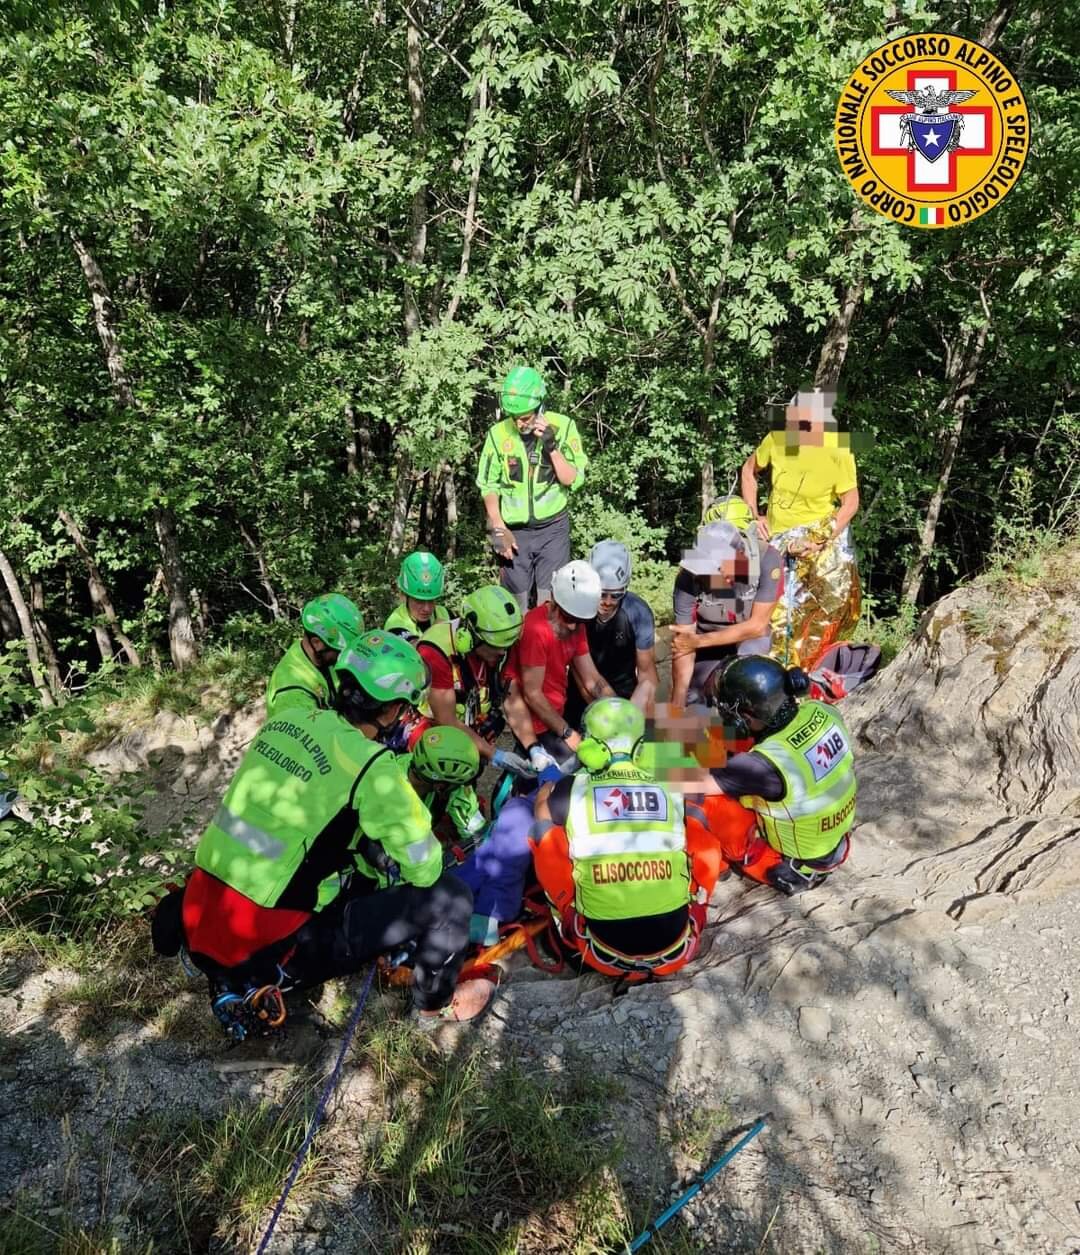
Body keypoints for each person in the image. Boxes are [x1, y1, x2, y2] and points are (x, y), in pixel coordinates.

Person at [161, 631, 495, 1031]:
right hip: (266, 951)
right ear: (391, 711)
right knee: (450, 898)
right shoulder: (372, 766)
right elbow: (423, 869)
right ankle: (432, 1009)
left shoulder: (285, 720)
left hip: (201, 918)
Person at [530, 698, 726, 979]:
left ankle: (567, 918)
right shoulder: (669, 780)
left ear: (591, 747)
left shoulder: (570, 789)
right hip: (675, 947)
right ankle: (699, 901)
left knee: (543, 833)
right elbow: (705, 845)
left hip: (603, 952)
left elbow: (542, 816)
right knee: (695, 821)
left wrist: (545, 792)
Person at [702, 655, 856, 896]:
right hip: (830, 836)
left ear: (747, 717)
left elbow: (691, 785)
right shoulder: (822, 709)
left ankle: (724, 864)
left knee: (705, 801)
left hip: (793, 858)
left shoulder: (764, 765)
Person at [740, 389, 861, 669]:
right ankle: (771, 674)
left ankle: (810, 672)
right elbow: (748, 471)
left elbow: (850, 502)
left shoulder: (837, 448)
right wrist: (753, 514)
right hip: (779, 538)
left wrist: (821, 538)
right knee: (776, 611)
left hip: (821, 535)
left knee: (830, 608)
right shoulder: (777, 440)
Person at [476, 365, 589, 611]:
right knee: (513, 607)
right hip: (513, 531)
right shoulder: (497, 435)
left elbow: (572, 479)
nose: (519, 423)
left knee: (550, 606)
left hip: (553, 529)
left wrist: (552, 446)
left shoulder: (564, 426)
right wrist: (497, 528)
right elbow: (488, 485)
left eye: (525, 417)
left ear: (540, 406)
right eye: (514, 417)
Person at [411, 585, 534, 780]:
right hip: (435, 739)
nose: (502, 653)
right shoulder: (437, 652)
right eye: (496, 648)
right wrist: (495, 755)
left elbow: (510, 694)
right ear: (472, 636)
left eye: (506, 647)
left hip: (470, 728)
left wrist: (533, 748)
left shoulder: (496, 646)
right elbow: (447, 720)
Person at [503, 560, 615, 768]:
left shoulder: (575, 626)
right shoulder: (535, 629)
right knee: (575, 768)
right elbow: (532, 694)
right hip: (535, 721)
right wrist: (568, 734)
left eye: (580, 620)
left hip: (556, 713)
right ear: (554, 600)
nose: (572, 626)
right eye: (568, 617)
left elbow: (592, 679)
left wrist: (619, 712)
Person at [670, 519, 782, 707]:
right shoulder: (687, 578)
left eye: (714, 569)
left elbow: (757, 626)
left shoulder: (766, 559)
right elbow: (684, 644)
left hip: (750, 638)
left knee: (747, 682)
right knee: (694, 699)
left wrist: (699, 641)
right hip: (707, 642)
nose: (706, 575)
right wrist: (677, 703)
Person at [563, 540, 658, 728]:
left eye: (616, 595)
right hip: (583, 693)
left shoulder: (638, 612)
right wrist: (610, 719)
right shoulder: (577, 610)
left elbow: (648, 676)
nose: (607, 602)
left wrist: (637, 718)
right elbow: (581, 675)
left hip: (625, 695)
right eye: (602, 594)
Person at [265, 593, 364, 718]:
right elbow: (310, 736)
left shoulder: (320, 658)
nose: (345, 656)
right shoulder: (294, 694)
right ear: (317, 643)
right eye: (340, 651)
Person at [403, 725, 486, 852]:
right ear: (440, 785)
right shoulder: (392, 790)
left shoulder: (420, 763)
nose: (462, 788)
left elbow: (474, 828)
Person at [384, 550, 449, 641]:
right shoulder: (395, 624)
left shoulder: (444, 613)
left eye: (431, 600)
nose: (427, 608)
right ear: (403, 596)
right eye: (419, 601)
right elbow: (412, 650)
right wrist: (434, 632)